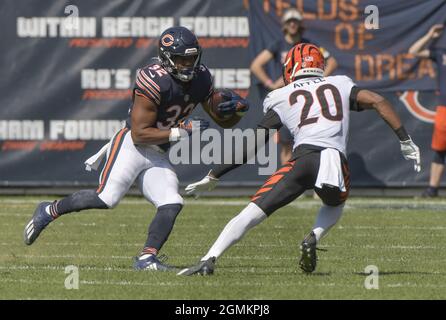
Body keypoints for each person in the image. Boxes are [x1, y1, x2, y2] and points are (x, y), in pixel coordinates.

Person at [178, 43, 421, 275]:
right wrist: (405, 140)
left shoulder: (280, 96)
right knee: (335, 205)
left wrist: (214, 174)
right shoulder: (340, 84)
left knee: (252, 213)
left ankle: (208, 259)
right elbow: (379, 101)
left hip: (302, 161)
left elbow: (252, 144)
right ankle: (314, 236)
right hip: (334, 162)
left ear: (291, 67)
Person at [23, 26, 249, 271]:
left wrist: (235, 110)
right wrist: (181, 131)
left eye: (191, 58)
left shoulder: (202, 77)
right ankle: (49, 209)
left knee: (172, 201)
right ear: (166, 58)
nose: (187, 64)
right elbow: (140, 133)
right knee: (106, 198)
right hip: (132, 145)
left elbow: (221, 120)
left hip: (158, 151)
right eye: (181, 59)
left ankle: (146, 258)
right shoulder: (154, 79)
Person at [250, 8, 338, 165]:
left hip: (307, 99)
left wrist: (319, 79)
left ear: (300, 24)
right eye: (289, 21)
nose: (292, 24)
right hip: (287, 99)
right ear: (284, 24)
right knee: (286, 146)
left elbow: (332, 62)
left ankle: (309, 183)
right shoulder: (278, 45)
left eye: (295, 21)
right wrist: (271, 84)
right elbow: (256, 65)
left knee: (311, 143)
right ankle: (288, 183)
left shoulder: (309, 45)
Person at [409, 24, 445, 197]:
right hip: (444, 108)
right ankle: (432, 189)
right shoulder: (441, 53)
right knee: (440, 148)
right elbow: (414, 51)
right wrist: (430, 35)